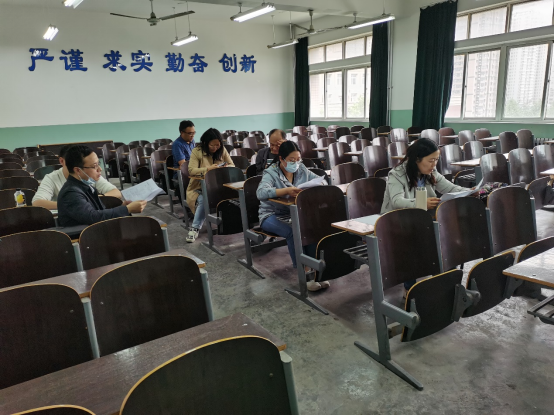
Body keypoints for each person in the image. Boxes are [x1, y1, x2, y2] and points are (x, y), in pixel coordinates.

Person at [381, 138, 469, 298]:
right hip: (397, 223)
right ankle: (410, 289)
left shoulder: (430, 172)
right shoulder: (397, 174)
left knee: (447, 237)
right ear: (417, 159)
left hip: (420, 220)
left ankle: (445, 282)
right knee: (414, 244)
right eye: (430, 160)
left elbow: (450, 188)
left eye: (436, 160)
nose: (434, 164)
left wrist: (471, 191)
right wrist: (423, 203)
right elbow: (396, 201)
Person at [256, 141, 330, 292]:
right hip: (271, 215)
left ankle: (315, 270)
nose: (295, 163)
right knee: (292, 231)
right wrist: (285, 191)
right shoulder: (271, 172)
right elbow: (261, 193)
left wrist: (320, 185)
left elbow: (322, 180)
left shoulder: (301, 169)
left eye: (298, 159)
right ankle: (305, 274)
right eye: (291, 160)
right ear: (281, 158)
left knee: (311, 227)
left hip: (294, 212)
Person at [57, 145, 146, 227]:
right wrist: (127, 209)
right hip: (83, 236)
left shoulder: (84, 185)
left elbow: (99, 212)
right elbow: (93, 217)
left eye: (98, 164)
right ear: (78, 170)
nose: (100, 169)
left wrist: (122, 207)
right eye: (94, 166)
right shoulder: (70, 193)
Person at [32, 144, 122, 210]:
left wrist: (92, 201)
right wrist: (73, 204)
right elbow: (37, 203)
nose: (99, 169)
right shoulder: (51, 178)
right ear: (62, 161)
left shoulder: (89, 173)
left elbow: (116, 192)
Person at [185, 128, 234, 243]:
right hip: (199, 188)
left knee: (236, 196)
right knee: (204, 199)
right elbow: (191, 170)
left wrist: (225, 168)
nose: (215, 148)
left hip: (219, 187)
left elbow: (232, 165)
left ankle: (232, 224)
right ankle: (195, 228)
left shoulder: (222, 149)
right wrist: (208, 169)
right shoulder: (197, 151)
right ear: (205, 143)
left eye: (218, 145)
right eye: (212, 145)